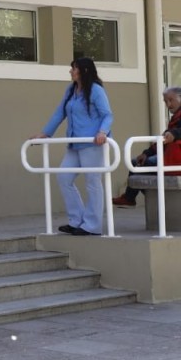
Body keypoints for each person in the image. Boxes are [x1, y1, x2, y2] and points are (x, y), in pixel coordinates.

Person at [33, 57, 113, 236]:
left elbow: (107, 115)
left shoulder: (96, 90)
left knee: (92, 182)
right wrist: (45, 133)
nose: (71, 71)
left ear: (84, 71)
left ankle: (92, 225)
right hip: (74, 143)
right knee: (64, 177)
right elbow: (59, 112)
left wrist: (102, 132)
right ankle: (76, 220)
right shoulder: (71, 90)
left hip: (92, 143)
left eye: (74, 68)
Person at [114, 86, 181, 207]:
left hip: (176, 161)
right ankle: (137, 199)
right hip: (170, 157)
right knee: (136, 163)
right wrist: (146, 153)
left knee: (142, 165)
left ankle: (140, 199)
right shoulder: (175, 118)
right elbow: (163, 140)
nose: (168, 104)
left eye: (171, 100)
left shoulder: (177, 118)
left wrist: (175, 134)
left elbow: (175, 133)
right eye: (165, 101)